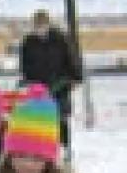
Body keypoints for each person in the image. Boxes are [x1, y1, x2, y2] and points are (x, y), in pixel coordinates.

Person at [20, 10, 83, 158]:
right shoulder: (29, 42)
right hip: (38, 87)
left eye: (42, 24)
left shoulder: (61, 39)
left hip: (60, 85)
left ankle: (65, 147)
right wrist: (28, 79)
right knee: (39, 118)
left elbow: (72, 59)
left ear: (49, 23)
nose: (40, 28)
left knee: (60, 117)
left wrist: (75, 77)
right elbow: (25, 63)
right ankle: (43, 146)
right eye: (37, 24)